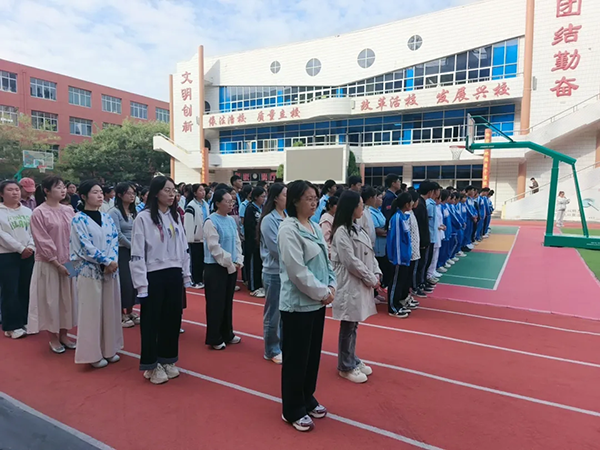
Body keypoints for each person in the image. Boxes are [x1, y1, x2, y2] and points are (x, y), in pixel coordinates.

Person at [278, 180, 335, 433]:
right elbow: (297, 272)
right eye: (309, 198)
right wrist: (323, 293)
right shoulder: (288, 229)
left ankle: (307, 397)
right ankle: (292, 409)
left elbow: (326, 260)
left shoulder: (313, 226)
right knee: (296, 359)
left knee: (312, 356)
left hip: (317, 303)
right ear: (295, 201)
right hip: (298, 306)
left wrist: (332, 286)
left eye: (315, 198)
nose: (314, 203)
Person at [130, 176, 191, 384]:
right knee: (151, 321)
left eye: (174, 190)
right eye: (167, 190)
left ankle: (167, 359)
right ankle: (151, 365)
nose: (172, 194)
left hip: (173, 273)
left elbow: (183, 247)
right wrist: (141, 284)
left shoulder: (175, 217)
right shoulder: (143, 218)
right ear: (156, 193)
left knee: (172, 319)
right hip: (153, 275)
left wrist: (185, 273)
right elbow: (137, 252)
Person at [70, 180, 122, 369]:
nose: (100, 195)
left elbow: (114, 240)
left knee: (110, 310)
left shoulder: (107, 217)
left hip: (110, 271)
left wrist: (112, 261)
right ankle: (91, 354)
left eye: (101, 192)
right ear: (84, 196)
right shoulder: (78, 219)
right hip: (89, 270)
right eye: (94, 192)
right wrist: (105, 261)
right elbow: (84, 246)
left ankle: (109, 349)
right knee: (91, 313)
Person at [330, 190, 379, 383]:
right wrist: (370, 278)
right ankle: (345, 365)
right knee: (348, 324)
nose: (362, 208)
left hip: (360, 281)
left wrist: (376, 273)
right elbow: (350, 261)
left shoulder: (357, 228)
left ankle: (351, 357)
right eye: (360, 205)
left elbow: (370, 254)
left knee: (354, 323)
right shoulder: (341, 232)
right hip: (349, 283)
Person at [28, 176, 77, 352]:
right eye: (58, 187)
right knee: (51, 300)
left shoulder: (69, 210)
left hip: (69, 261)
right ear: (47, 191)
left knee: (68, 300)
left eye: (64, 187)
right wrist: (56, 263)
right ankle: (53, 337)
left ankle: (64, 334)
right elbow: (42, 241)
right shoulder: (39, 213)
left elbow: (76, 235)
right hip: (49, 263)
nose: (63, 190)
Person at [203, 189, 244, 350]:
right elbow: (214, 247)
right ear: (217, 203)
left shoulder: (231, 220)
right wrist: (229, 262)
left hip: (231, 266)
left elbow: (237, 242)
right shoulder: (210, 221)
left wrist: (238, 259)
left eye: (231, 201)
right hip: (216, 267)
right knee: (216, 304)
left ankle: (228, 333)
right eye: (227, 201)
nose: (230, 204)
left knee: (227, 302)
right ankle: (214, 337)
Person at [0, 180, 35, 339]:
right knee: (10, 290)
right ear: (1, 194)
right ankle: (11, 326)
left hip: (28, 254)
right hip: (7, 255)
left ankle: (24, 320)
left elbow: (34, 231)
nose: (15, 192)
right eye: (10, 190)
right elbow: (3, 236)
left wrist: (31, 247)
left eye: (17, 189)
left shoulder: (27, 211)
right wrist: (20, 248)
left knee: (25, 288)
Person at [259, 183, 287, 364]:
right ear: (276, 198)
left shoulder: (287, 217)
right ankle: (271, 349)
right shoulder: (269, 220)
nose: (288, 198)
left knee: (284, 311)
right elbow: (276, 249)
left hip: (287, 271)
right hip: (274, 271)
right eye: (285, 195)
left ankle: (282, 345)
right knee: (273, 313)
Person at [108, 183, 139, 329]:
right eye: (129, 193)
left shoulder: (134, 212)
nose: (132, 196)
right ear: (120, 195)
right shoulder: (114, 212)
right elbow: (117, 234)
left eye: (133, 193)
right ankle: (120, 314)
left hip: (135, 251)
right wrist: (132, 246)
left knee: (133, 282)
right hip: (122, 251)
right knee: (124, 282)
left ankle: (130, 311)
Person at [387, 192, 416, 317]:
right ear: (406, 204)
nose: (413, 203)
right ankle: (392, 308)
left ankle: (398, 303)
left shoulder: (404, 217)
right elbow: (397, 240)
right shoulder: (397, 218)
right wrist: (399, 258)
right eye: (411, 201)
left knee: (401, 282)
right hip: (398, 257)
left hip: (404, 256)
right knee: (395, 282)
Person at [185, 183, 210, 289]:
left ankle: (201, 279)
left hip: (205, 236)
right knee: (196, 260)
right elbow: (188, 223)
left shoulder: (206, 204)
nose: (203, 192)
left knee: (202, 259)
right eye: (200, 190)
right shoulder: (191, 206)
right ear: (195, 193)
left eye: (203, 190)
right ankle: (195, 280)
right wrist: (190, 238)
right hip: (196, 238)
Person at [244, 186, 267, 297]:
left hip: (261, 240)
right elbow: (249, 227)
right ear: (256, 197)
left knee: (259, 264)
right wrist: (255, 238)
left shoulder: (262, 208)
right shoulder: (250, 209)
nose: (264, 198)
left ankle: (260, 285)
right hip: (252, 241)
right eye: (262, 196)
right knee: (253, 264)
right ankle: (253, 286)